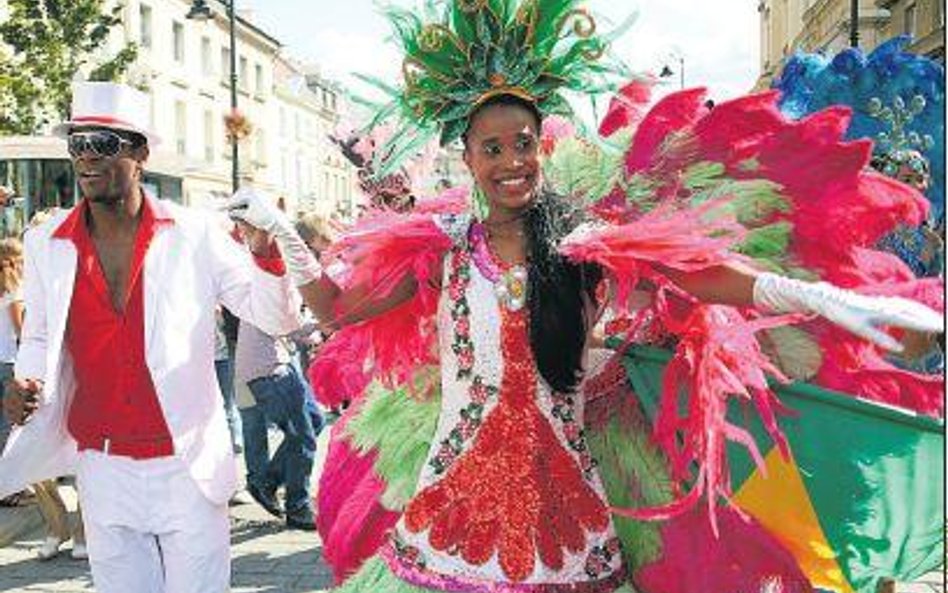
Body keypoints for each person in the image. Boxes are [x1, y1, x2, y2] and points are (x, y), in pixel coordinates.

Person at [226, 4, 943, 592]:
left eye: (523, 144)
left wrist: (815, 297)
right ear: (468, 158)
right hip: (455, 514)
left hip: (564, 516)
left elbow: (695, 273)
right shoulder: (440, 246)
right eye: (493, 148)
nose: (512, 162)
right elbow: (336, 308)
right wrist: (280, 236)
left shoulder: (580, 239)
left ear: (541, 147)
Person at [0, 81, 310, 593]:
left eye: (103, 144)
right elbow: (38, 336)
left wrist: (266, 255)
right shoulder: (46, 242)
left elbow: (272, 317)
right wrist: (27, 383)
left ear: (140, 152)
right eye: (77, 144)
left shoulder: (196, 232)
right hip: (99, 465)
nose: (86, 158)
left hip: (185, 465)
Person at [232, 219, 320, 531]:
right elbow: (286, 324)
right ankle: (296, 507)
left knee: (314, 423)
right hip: (267, 367)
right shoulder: (272, 275)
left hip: (280, 363)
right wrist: (323, 326)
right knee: (302, 436)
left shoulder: (276, 272)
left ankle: (267, 481)